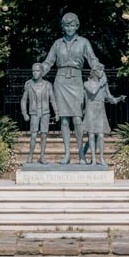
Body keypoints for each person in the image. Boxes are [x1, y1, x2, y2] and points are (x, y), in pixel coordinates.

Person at [39, 12, 100, 164]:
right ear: (63, 27)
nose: (70, 28)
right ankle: (66, 155)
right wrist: (39, 71)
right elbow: (48, 62)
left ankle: (81, 155)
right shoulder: (57, 44)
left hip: (76, 80)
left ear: (77, 26)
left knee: (77, 119)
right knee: (64, 120)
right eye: (67, 25)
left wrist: (98, 69)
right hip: (60, 81)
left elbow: (92, 60)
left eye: (72, 25)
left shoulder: (84, 42)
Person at [81, 63, 125, 166]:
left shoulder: (103, 84)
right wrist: (101, 84)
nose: (102, 72)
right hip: (90, 108)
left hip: (100, 109)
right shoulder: (87, 83)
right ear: (94, 72)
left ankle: (101, 158)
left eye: (102, 70)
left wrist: (119, 98)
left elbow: (110, 98)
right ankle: (93, 159)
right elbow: (92, 92)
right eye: (100, 71)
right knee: (91, 135)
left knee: (100, 135)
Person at [21, 63, 57, 163]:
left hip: (45, 112)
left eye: (37, 71)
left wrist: (56, 113)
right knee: (33, 135)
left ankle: (42, 157)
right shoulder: (29, 84)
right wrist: (24, 113)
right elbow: (23, 100)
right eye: (33, 71)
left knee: (44, 135)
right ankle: (30, 156)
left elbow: (52, 99)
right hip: (34, 113)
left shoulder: (48, 85)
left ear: (41, 72)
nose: (34, 73)